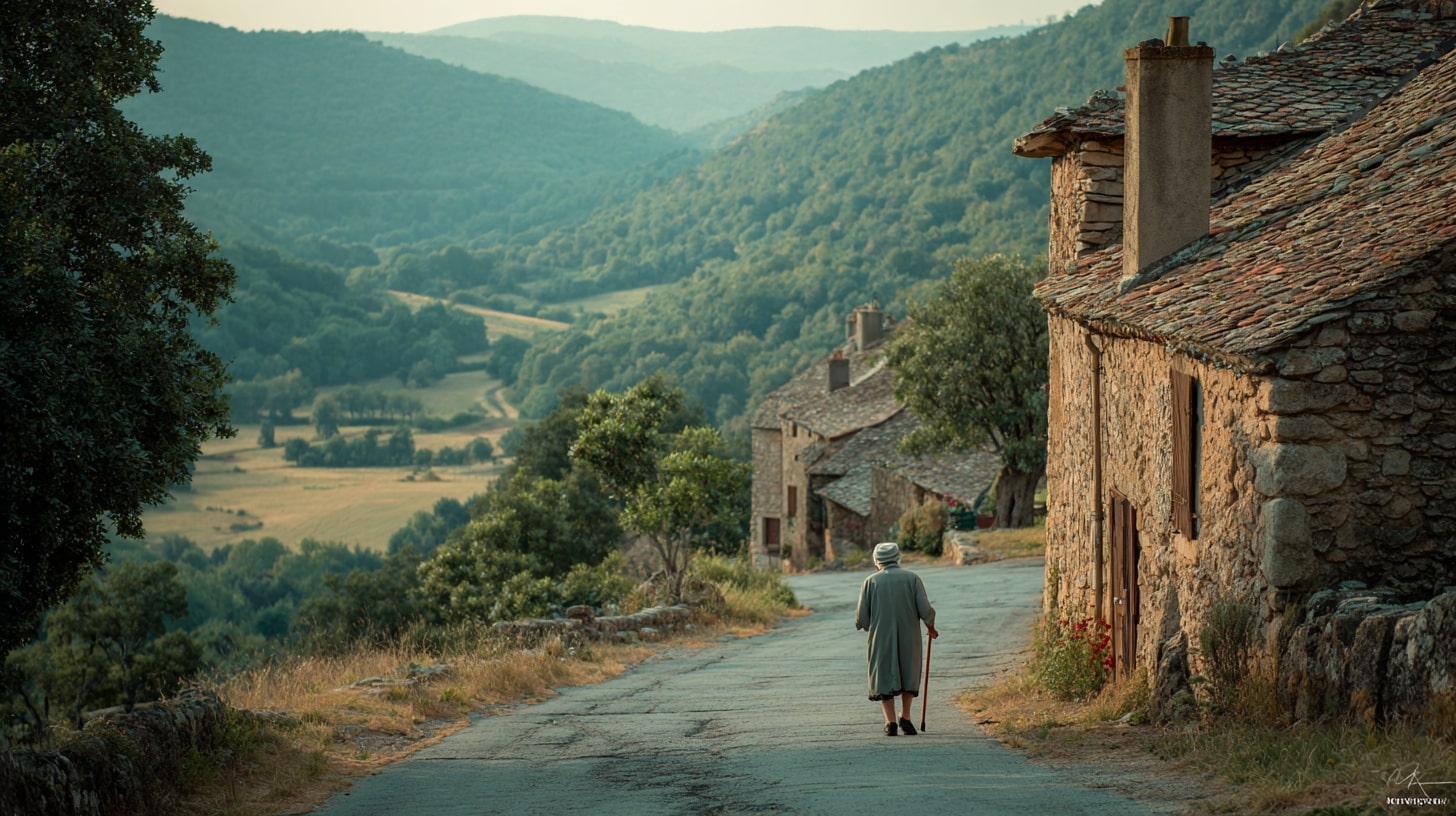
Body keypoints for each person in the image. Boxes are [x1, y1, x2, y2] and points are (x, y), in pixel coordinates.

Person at [854, 542, 938, 736]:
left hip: (880, 637)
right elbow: (925, 609)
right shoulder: (912, 578)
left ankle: (890, 723)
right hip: (909, 634)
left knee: (883, 674)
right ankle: (906, 717)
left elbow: (862, 619)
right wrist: (931, 627)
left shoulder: (870, 582)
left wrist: (870, 627)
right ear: (898, 558)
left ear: (876, 560)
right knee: (909, 670)